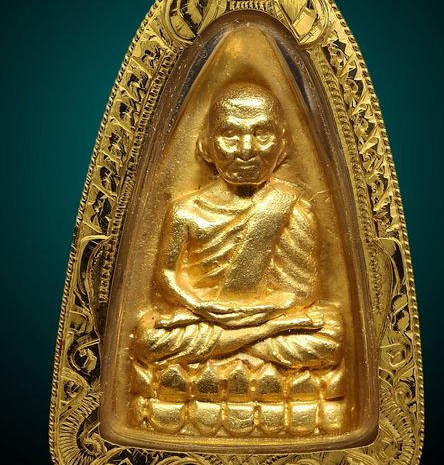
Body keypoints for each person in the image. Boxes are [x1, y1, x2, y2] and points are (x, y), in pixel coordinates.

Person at [133, 81, 344, 373]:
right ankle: (253, 340)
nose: (246, 150)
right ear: (206, 144)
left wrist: (264, 314)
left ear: (283, 144)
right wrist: (201, 306)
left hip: (267, 317)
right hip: (209, 317)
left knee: (330, 337)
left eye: (262, 134)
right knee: (149, 337)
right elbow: (167, 276)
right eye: (230, 134)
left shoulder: (293, 207)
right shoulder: (185, 211)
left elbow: (304, 292)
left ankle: (234, 344)